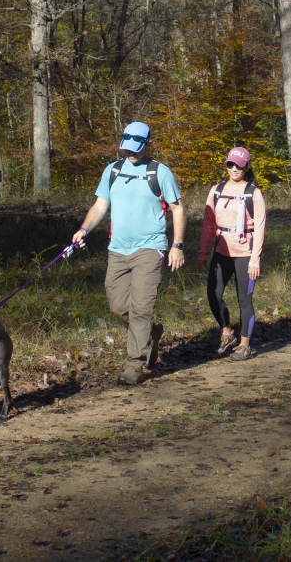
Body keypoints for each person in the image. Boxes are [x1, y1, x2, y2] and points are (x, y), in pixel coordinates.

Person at [72, 121, 186, 385]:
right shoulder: (112, 171)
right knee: (117, 305)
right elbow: (101, 205)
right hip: (117, 250)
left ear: (148, 144)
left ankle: (134, 365)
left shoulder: (161, 172)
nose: (131, 153)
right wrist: (84, 229)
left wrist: (177, 245)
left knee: (141, 309)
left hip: (150, 247)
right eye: (127, 148)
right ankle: (150, 333)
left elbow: (177, 208)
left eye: (137, 148)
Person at [196, 147, 266, 360]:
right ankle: (227, 332)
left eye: (239, 165)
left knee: (244, 300)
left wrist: (255, 258)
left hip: (245, 253)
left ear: (247, 166)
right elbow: (208, 223)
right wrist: (202, 252)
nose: (234, 168)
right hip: (222, 251)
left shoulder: (253, 193)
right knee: (213, 294)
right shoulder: (216, 190)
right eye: (230, 164)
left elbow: (260, 227)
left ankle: (245, 344)